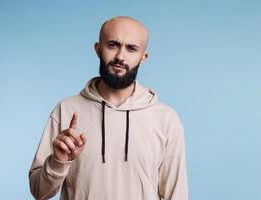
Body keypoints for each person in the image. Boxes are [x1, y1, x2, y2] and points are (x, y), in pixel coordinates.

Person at [29, 16, 188, 200]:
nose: (120, 56)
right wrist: (58, 162)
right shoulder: (66, 110)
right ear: (98, 49)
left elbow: (176, 196)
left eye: (131, 48)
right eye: (113, 45)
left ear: (143, 57)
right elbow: (39, 192)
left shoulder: (166, 118)